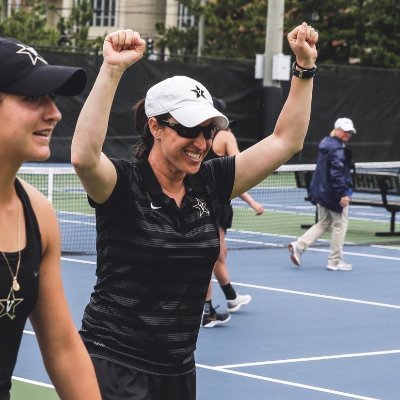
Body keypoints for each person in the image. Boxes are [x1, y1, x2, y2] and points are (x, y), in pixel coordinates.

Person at [71, 23, 318, 400]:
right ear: (155, 126)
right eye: (190, 129)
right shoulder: (122, 184)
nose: (201, 143)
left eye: (208, 131)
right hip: (114, 364)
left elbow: (287, 140)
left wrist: (304, 67)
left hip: (179, 369)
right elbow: (84, 158)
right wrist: (113, 69)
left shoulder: (210, 181)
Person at [0, 38, 101, 400]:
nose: (54, 113)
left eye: (53, 98)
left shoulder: (39, 214)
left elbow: (63, 349)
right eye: (32, 98)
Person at [202, 100, 264, 328]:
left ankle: (231, 297)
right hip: (216, 205)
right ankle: (207, 310)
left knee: (219, 255)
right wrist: (252, 202)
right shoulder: (226, 137)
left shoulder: (195, 138)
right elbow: (240, 168)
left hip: (202, 201)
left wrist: (251, 202)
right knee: (211, 256)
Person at [288, 117, 356, 271]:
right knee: (340, 225)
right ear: (337, 130)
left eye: (349, 132)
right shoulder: (337, 150)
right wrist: (343, 194)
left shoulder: (326, 143)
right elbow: (337, 175)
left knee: (324, 222)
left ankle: (299, 245)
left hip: (322, 192)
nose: (347, 134)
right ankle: (334, 261)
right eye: (345, 131)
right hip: (333, 195)